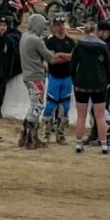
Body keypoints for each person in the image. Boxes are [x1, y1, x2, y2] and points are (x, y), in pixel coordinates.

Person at [18, 13, 72, 149]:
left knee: (34, 105)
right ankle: (30, 138)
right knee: (38, 106)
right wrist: (66, 56)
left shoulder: (24, 36)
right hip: (36, 77)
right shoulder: (37, 40)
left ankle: (26, 136)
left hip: (28, 75)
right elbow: (51, 59)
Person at [70, 22, 110, 154]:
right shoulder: (103, 46)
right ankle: (104, 145)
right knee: (99, 116)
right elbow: (108, 66)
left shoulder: (79, 45)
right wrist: (107, 81)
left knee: (81, 116)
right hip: (99, 84)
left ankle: (78, 143)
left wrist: (75, 80)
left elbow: (72, 65)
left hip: (81, 83)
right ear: (95, 31)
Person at [41, 15, 76, 145]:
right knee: (50, 105)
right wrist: (65, 57)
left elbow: (73, 57)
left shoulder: (71, 42)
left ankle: (61, 134)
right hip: (54, 77)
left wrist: (61, 55)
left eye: (62, 24)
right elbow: (52, 59)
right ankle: (46, 133)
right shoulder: (49, 41)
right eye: (57, 25)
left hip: (67, 77)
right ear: (53, 26)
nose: (60, 27)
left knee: (65, 107)